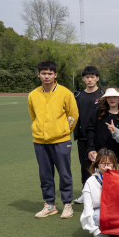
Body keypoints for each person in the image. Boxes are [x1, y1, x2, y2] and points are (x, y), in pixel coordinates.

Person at [30, 61, 79, 219]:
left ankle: (67, 205)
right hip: (40, 141)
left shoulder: (65, 93)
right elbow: (34, 116)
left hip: (61, 140)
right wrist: (40, 130)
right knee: (45, 174)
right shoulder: (33, 95)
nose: (47, 76)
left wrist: (64, 131)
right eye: (44, 73)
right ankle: (49, 204)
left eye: (50, 73)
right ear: (38, 75)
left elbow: (73, 115)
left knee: (64, 174)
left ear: (55, 75)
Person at [73, 65, 103, 201]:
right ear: (83, 79)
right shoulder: (78, 96)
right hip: (83, 137)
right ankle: (86, 193)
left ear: (97, 78)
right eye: (87, 77)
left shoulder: (103, 95)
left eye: (92, 77)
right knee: (85, 166)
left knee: (102, 164)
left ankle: (102, 192)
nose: (90, 79)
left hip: (100, 136)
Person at [80, 148, 119, 237]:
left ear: (114, 164)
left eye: (109, 163)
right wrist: (95, 230)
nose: (105, 166)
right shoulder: (90, 181)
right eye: (102, 163)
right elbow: (88, 208)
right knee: (97, 216)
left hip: (117, 210)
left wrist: (111, 176)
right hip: (100, 210)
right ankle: (102, 233)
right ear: (97, 164)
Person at [85, 88, 119, 166]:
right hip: (96, 154)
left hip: (114, 156)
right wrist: (91, 148)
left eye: (114, 96)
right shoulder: (98, 113)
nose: (111, 99)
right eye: (109, 97)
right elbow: (90, 129)